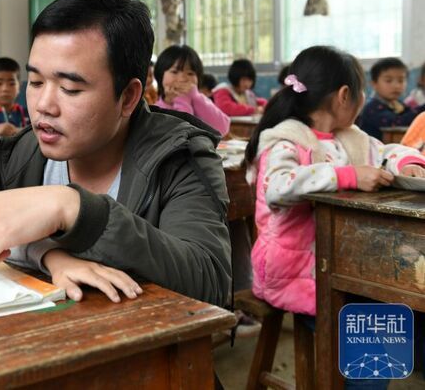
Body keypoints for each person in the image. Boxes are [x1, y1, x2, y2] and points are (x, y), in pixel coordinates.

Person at [0, 0, 231, 307]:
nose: (43, 105)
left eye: (70, 88)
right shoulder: (23, 153)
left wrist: (76, 209)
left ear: (128, 97)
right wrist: (51, 255)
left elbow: (210, 282)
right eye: (36, 82)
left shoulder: (180, 155)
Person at [245, 45, 425, 320]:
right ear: (344, 95)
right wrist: (348, 175)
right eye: (362, 91)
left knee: (401, 298)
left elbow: (386, 152)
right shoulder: (287, 141)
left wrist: (408, 164)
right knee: (391, 314)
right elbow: (277, 187)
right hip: (293, 273)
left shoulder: (348, 137)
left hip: (336, 263)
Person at [153, 44, 229, 136]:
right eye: (174, 72)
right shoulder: (156, 110)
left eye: (190, 73)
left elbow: (223, 128)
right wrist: (179, 99)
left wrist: (195, 96)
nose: (182, 79)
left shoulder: (200, 99)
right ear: (161, 75)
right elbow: (183, 133)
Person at [358, 57, 425, 140]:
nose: (396, 86)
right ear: (374, 83)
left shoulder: (399, 105)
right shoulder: (372, 107)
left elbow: (412, 115)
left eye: (401, 80)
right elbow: (396, 123)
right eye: (388, 81)